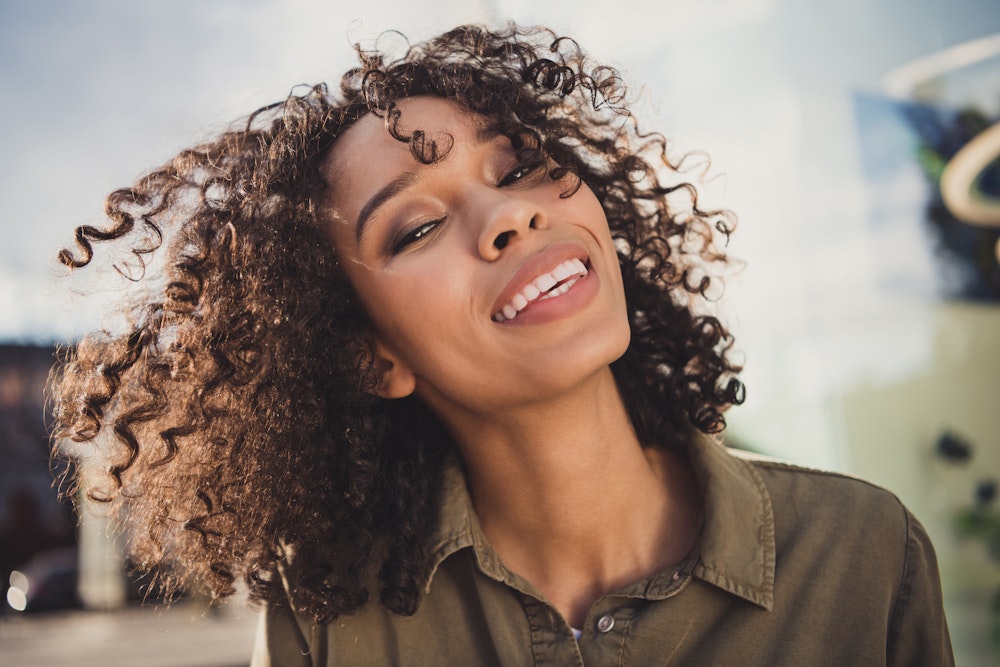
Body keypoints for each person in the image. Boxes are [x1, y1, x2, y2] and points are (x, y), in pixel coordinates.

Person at [49, 23, 953, 666]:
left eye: (517, 167)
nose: (511, 213)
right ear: (374, 356)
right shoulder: (326, 628)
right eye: (413, 228)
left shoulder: (863, 554)